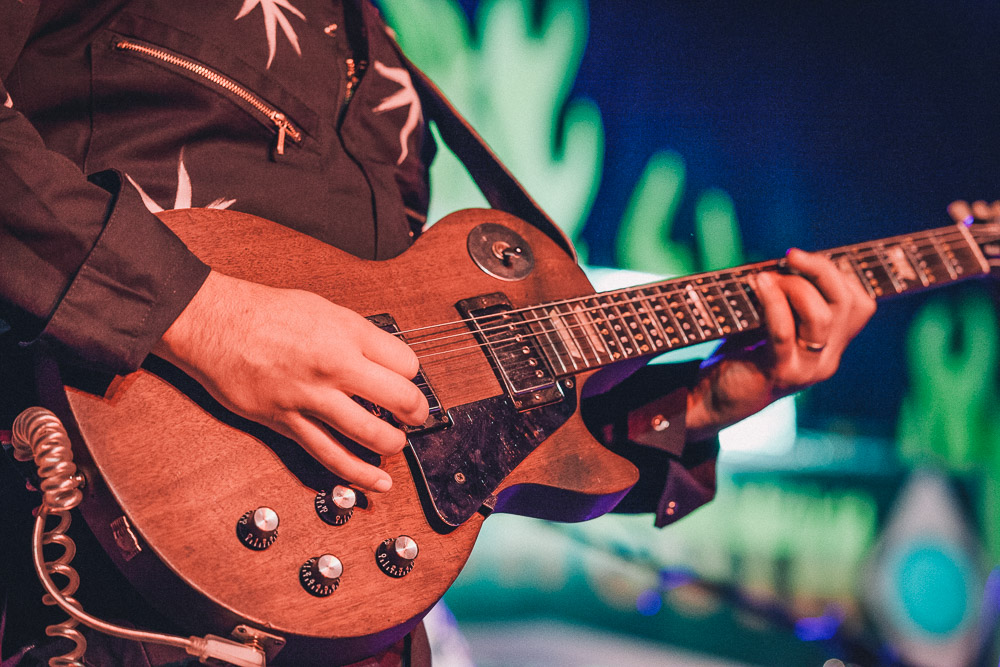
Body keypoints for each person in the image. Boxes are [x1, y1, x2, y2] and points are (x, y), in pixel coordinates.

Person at [0, 0, 876, 664]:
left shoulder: (382, 54)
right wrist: (204, 316)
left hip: (353, 623)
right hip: (71, 567)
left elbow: (451, 407)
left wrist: (705, 401)